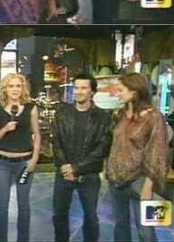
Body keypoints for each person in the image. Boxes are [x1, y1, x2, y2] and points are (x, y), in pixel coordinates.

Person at [106, 73, 168, 242]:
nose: (117, 93)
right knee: (120, 225)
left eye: (121, 90)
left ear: (134, 92)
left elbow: (158, 152)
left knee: (146, 231)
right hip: (116, 180)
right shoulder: (120, 114)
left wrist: (149, 185)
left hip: (140, 181)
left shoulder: (154, 117)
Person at [52, 73, 113, 242]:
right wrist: (64, 166)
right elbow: (56, 141)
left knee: (91, 217)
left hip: (89, 175)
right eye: (76, 88)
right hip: (64, 173)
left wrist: (76, 168)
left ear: (92, 91)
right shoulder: (62, 113)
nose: (78, 92)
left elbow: (102, 148)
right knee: (59, 215)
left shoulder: (103, 118)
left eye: (83, 88)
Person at [0, 73, 41, 242]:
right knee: (2, 204)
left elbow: (37, 134)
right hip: (1, 163)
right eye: (11, 86)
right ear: (5, 89)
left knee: (23, 204)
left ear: (23, 88)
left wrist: (34, 158)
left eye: (18, 86)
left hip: (24, 163)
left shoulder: (31, 109)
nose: (15, 89)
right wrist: (5, 129)